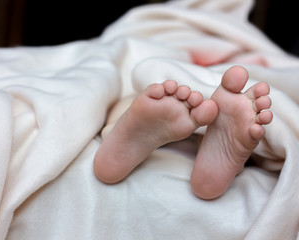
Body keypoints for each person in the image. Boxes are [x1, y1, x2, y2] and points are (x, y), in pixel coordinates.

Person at [93, 66, 273, 200]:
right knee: (146, 98)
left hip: (172, 91)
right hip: (196, 98)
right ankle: (209, 147)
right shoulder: (231, 46)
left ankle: (115, 129)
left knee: (130, 99)